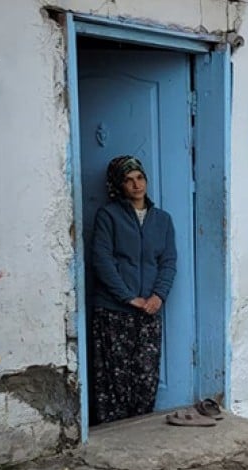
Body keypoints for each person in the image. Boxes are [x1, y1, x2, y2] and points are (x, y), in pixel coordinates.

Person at [86, 155, 177, 425]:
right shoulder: (108, 216)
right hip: (114, 310)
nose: (136, 185)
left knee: (145, 374)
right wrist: (128, 297)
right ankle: (114, 432)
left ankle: (141, 429)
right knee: (114, 376)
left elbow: (168, 261)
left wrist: (158, 296)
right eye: (128, 180)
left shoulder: (162, 220)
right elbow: (102, 260)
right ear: (118, 185)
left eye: (139, 177)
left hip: (149, 310)